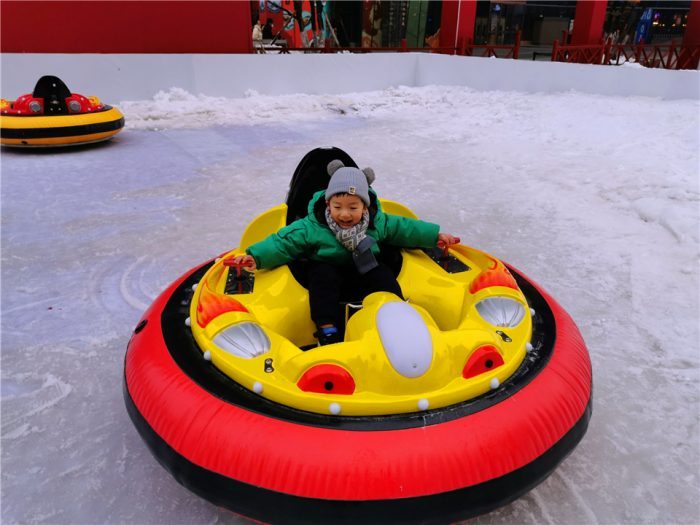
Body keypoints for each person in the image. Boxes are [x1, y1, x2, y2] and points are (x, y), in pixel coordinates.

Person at [232, 160, 458, 345]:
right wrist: (256, 256)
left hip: (364, 264)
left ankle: (397, 316)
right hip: (327, 265)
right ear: (328, 203)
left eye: (353, 207)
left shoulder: (377, 222)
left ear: (365, 206)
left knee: (383, 276)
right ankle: (327, 329)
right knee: (321, 281)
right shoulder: (312, 226)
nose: (345, 214)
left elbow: (405, 229)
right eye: (337, 207)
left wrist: (434, 236)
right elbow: (284, 243)